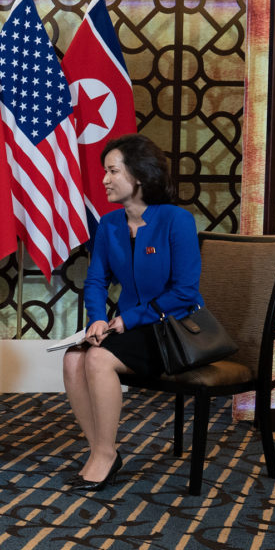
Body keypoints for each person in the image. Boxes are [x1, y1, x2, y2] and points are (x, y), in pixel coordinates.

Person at [62, 133, 203, 491]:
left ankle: (104, 456)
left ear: (139, 176)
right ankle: (101, 450)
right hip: (129, 328)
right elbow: (96, 281)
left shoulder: (176, 220)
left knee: (97, 358)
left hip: (172, 329)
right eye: (105, 171)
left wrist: (129, 319)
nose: (104, 180)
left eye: (113, 171)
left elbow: (185, 291)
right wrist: (97, 318)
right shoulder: (110, 225)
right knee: (73, 359)